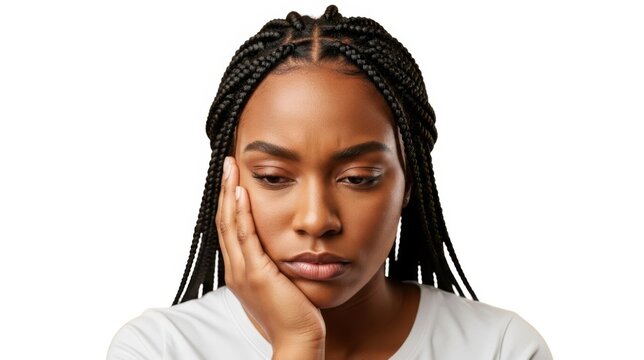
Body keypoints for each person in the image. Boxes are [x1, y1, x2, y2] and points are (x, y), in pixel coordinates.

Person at [107, 5, 552, 359]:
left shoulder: (500, 348)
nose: (317, 219)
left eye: (359, 178)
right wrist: (297, 342)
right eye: (273, 177)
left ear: (408, 183)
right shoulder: (158, 349)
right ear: (227, 182)